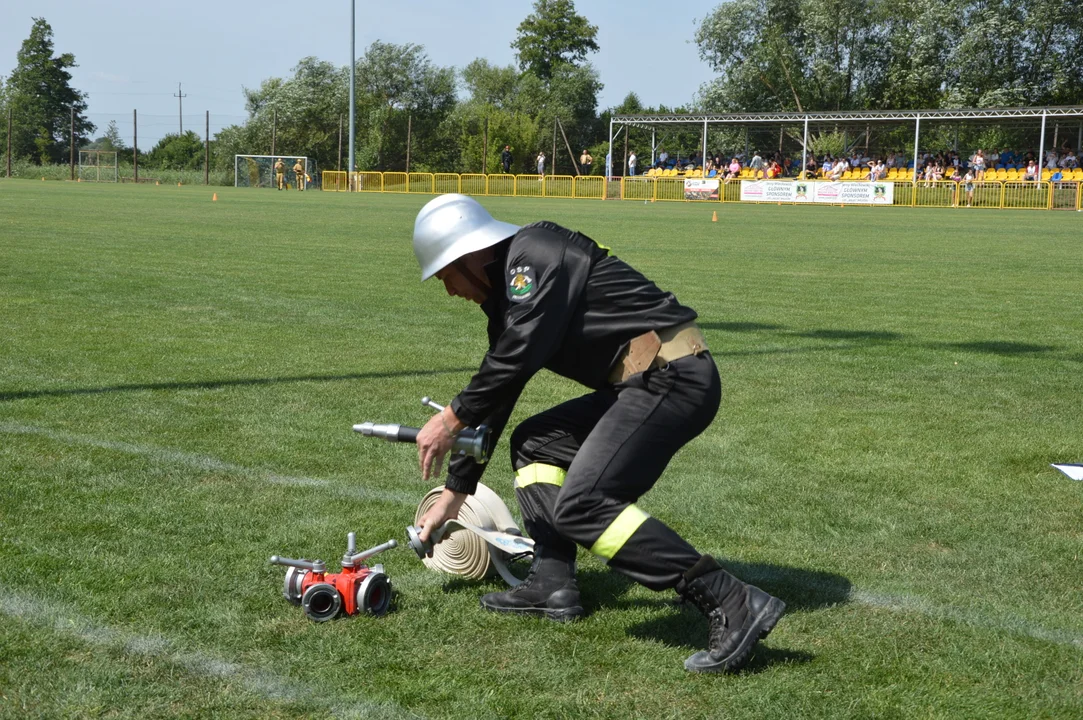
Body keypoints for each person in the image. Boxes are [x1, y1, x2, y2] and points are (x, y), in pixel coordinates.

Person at [410, 194, 786, 674]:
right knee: (536, 442)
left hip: (673, 378)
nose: (449, 291)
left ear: (469, 258)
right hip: (644, 382)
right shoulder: (510, 294)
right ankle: (552, 580)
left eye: (445, 276)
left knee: (584, 504)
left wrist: (449, 418)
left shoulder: (534, 254)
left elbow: (515, 357)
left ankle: (732, 599)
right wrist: (456, 491)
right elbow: (500, 389)